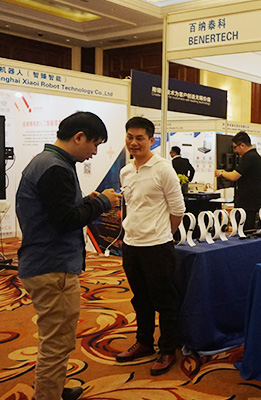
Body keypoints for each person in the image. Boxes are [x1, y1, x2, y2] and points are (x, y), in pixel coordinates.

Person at [16, 111, 121, 400]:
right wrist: (102, 203)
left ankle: (53, 389)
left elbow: (54, 210)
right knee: (57, 342)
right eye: (94, 144)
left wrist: (85, 201)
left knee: (56, 338)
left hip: (45, 262)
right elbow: (65, 220)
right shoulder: (55, 168)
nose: (94, 152)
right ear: (79, 137)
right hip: (52, 267)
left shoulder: (49, 162)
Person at [116, 117, 185, 376]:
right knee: (140, 299)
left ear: (151, 140)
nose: (134, 142)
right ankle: (144, 341)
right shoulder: (126, 171)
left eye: (140, 138)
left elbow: (178, 209)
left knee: (164, 300)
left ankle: (167, 349)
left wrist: (165, 234)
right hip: (131, 244)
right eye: (130, 137)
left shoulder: (163, 169)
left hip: (157, 246)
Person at [214, 131, 261, 230]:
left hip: (250, 203)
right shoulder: (253, 156)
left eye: (236, 147)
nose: (236, 151)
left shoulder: (249, 157)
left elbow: (234, 176)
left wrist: (222, 173)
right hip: (250, 201)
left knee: (247, 231)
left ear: (242, 145)